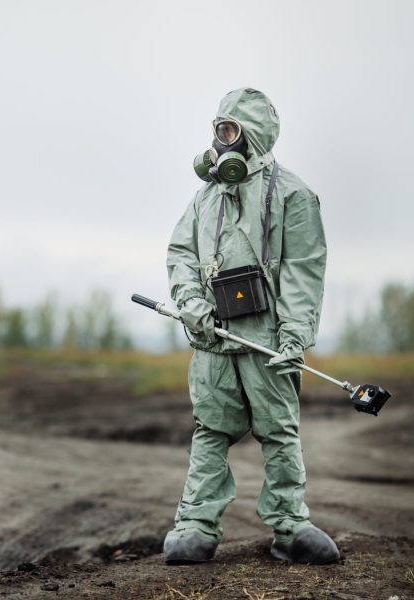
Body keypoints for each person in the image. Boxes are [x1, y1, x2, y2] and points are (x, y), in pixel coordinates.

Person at [163, 87, 339, 565]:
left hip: (268, 343)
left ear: (254, 135)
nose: (221, 142)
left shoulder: (294, 195)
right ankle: (196, 525)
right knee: (210, 430)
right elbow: (181, 254)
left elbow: (305, 269)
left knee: (280, 431)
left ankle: (290, 525)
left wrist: (295, 335)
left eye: (230, 130)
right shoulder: (205, 197)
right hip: (213, 341)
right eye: (217, 130)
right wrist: (191, 302)